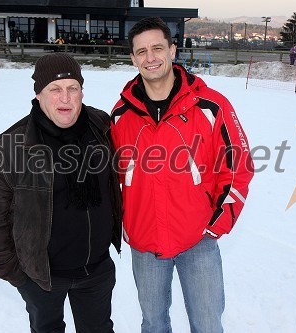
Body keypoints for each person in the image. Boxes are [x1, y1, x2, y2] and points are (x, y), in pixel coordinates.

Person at [110, 17, 254, 333]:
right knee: (154, 323)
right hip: (146, 244)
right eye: (142, 51)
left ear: (173, 50)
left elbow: (238, 166)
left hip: (198, 240)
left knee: (207, 324)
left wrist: (217, 224)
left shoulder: (212, 106)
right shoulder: (120, 116)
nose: (151, 57)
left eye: (158, 48)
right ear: (133, 58)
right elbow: (111, 178)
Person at [0, 53, 122, 333]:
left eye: (72, 88)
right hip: (42, 278)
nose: (65, 98)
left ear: (81, 92)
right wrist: (17, 275)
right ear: (39, 94)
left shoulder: (101, 128)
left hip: (96, 270)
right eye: (55, 89)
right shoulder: (7, 150)